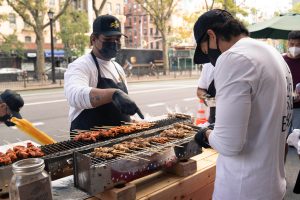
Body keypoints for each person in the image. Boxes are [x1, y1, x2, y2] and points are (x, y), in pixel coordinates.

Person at [193, 9, 293, 200]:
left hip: (243, 189)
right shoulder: (272, 53)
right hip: (272, 185)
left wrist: (206, 133)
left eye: (207, 51)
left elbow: (229, 144)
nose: (212, 59)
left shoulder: (234, 58)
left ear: (211, 35)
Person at [64, 15, 144, 133]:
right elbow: (74, 95)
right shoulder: (80, 65)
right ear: (93, 39)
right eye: (108, 39)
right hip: (87, 143)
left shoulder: (118, 68)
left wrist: (131, 120)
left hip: (119, 140)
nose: (114, 43)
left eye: (117, 39)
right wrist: (113, 94)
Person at [283, 30, 300, 194]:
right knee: (282, 142)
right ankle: (280, 176)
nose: (295, 48)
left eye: (298, 45)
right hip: (284, 107)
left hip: (299, 109)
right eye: (292, 44)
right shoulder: (281, 61)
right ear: (288, 43)